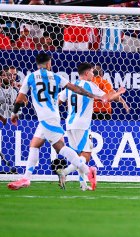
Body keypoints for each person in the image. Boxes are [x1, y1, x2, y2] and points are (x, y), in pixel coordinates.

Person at [7, 53, 106, 190]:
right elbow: (76, 88)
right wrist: (92, 95)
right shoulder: (57, 77)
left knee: (60, 148)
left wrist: (14, 113)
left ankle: (89, 171)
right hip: (50, 116)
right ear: (49, 64)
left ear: (37, 64)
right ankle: (26, 178)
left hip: (47, 118)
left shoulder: (30, 77)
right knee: (34, 144)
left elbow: (19, 99)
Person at [57, 63, 127, 191]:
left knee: (78, 156)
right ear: (86, 73)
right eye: (91, 72)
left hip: (69, 124)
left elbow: (58, 101)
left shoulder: (70, 86)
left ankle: (83, 185)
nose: (92, 74)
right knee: (86, 156)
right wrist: (119, 93)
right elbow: (106, 98)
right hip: (82, 125)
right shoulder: (90, 85)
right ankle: (64, 172)